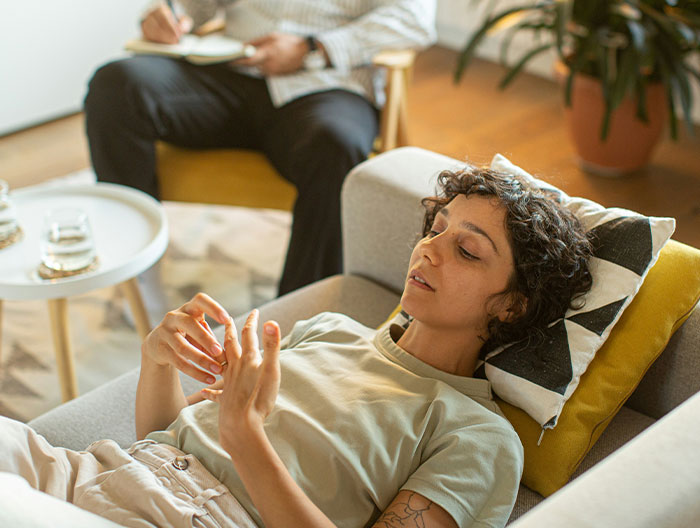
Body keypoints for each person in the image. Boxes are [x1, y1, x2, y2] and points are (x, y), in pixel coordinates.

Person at [0, 166, 593, 527]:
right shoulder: (328, 330)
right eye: (436, 231)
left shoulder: (476, 437)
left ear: (511, 304)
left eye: (468, 250)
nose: (429, 251)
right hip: (91, 473)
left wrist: (246, 435)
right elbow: (168, 440)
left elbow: (232, 437)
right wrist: (155, 363)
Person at [84, 0, 437, 296]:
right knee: (115, 85)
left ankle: (299, 310)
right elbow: (194, 7)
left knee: (336, 145)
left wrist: (312, 48)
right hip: (230, 73)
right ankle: (135, 275)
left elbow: (413, 20)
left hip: (327, 83)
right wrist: (168, 14)